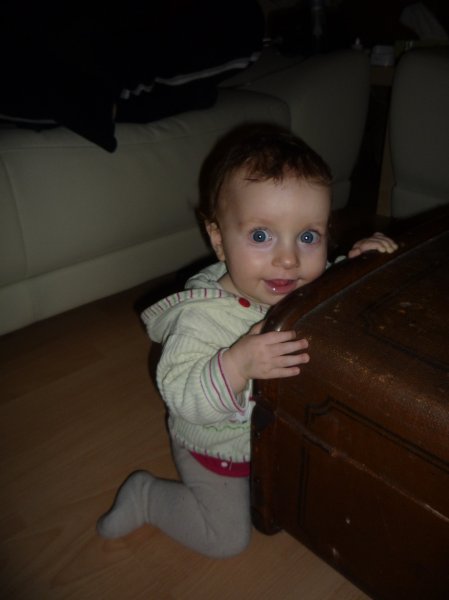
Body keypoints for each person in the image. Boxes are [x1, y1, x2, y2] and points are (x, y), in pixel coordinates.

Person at [97, 124, 398, 557]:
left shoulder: (300, 284)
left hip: (277, 438)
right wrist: (236, 366)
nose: (289, 259)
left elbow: (334, 292)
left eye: (308, 236)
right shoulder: (199, 318)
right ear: (219, 239)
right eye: (261, 236)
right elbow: (181, 396)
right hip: (217, 450)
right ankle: (147, 497)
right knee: (226, 540)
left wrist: (357, 264)